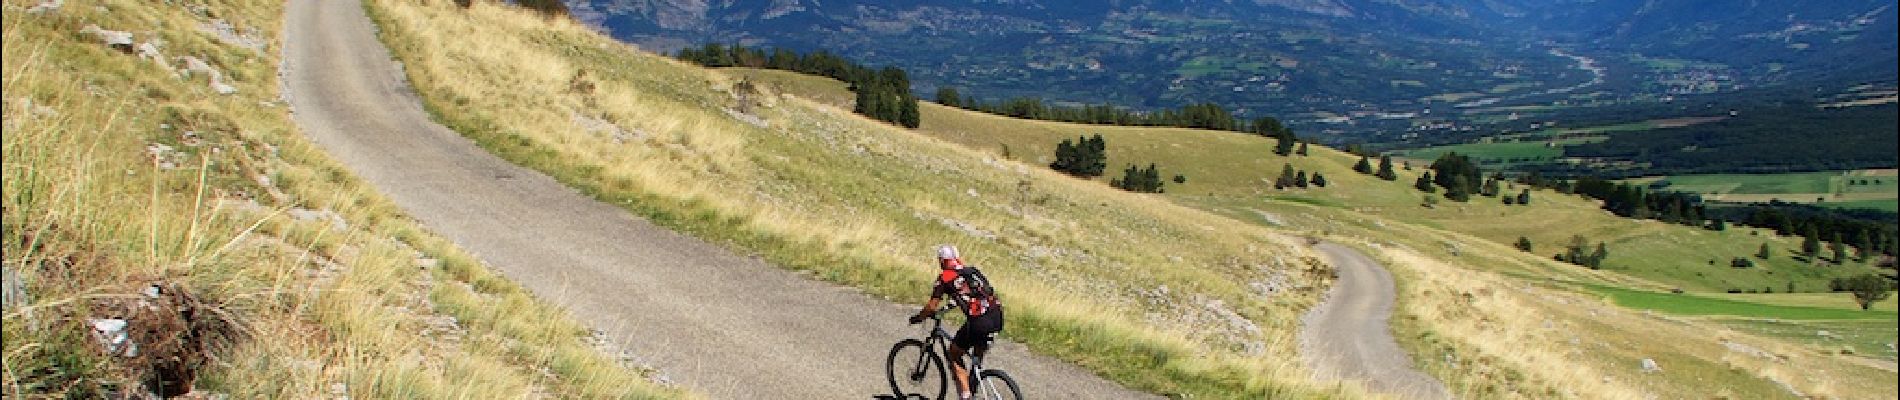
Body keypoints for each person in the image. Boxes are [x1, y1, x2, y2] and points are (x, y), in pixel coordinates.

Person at [909, 245, 1004, 400]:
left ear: (942, 260)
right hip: (997, 316)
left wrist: (919, 318)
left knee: (954, 352)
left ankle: (966, 396)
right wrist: (946, 309)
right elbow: (973, 295)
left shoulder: (944, 278)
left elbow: (931, 306)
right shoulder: (972, 272)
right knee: (976, 355)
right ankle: (975, 379)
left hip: (979, 322)